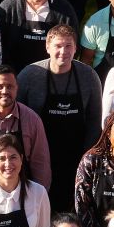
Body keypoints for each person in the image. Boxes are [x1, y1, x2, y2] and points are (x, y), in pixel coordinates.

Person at [18, 23, 102, 191]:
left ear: (76, 48)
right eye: (58, 46)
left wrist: (86, 158)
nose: (63, 51)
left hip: (76, 156)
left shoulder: (89, 76)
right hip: (38, 156)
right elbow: (19, 117)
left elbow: (94, 121)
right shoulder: (29, 75)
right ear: (47, 47)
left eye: (68, 46)